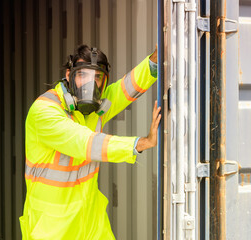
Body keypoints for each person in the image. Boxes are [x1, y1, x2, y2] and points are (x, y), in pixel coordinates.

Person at [19, 44, 160, 240]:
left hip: (91, 223)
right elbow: (84, 143)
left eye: (97, 78)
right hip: (54, 230)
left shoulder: (93, 110)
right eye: (82, 75)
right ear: (69, 75)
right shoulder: (44, 111)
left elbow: (124, 89)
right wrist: (141, 143)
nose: (90, 85)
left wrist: (155, 59)